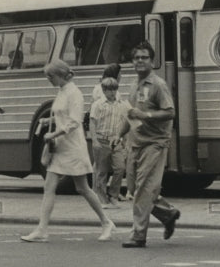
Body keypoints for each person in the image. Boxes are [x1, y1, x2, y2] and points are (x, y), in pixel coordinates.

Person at [21, 59, 115, 243]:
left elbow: (75, 121)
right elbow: (62, 116)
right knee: (49, 187)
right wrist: (48, 122)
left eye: (51, 75)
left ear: (61, 74)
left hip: (72, 147)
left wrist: (53, 133)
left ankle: (106, 222)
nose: (48, 79)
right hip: (60, 146)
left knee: (83, 188)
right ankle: (42, 229)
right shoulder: (62, 91)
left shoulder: (74, 93)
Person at [118, 42, 181, 247]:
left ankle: (138, 234)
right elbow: (130, 115)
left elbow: (170, 112)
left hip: (154, 143)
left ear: (152, 61)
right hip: (136, 142)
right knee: (135, 188)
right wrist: (119, 135)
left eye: (144, 57)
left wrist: (146, 115)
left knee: (144, 188)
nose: (140, 61)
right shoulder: (133, 85)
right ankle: (167, 213)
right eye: (136, 58)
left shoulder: (158, 85)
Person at [89, 76, 131, 206]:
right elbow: (93, 122)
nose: (112, 92)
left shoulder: (120, 104)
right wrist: (94, 139)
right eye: (109, 89)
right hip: (102, 139)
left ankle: (113, 194)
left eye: (114, 89)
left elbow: (123, 121)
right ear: (103, 90)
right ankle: (102, 198)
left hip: (115, 140)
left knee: (120, 168)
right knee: (101, 171)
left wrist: (123, 138)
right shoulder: (98, 105)